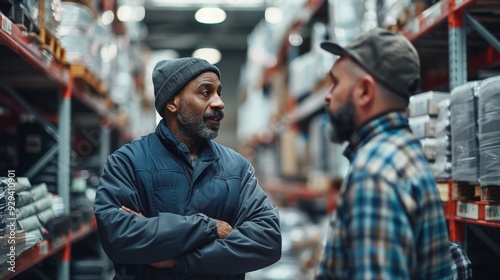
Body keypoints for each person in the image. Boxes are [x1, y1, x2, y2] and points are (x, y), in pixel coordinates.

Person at [94, 57, 282, 279]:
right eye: (205, 92)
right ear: (172, 102)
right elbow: (119, 237)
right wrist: (209, 227)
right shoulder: (127, 162)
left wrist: (179, 260)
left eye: (218, 93)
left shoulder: (236, 168)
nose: (219, 103)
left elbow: (267, 240)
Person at [315, 27, 451, 279]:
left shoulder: (375, 174)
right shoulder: (405, 152)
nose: (327, 96)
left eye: (335, 82)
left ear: (365, 91)